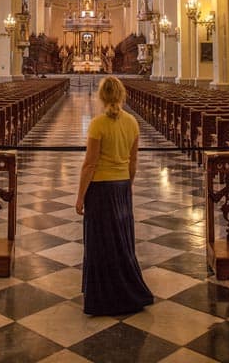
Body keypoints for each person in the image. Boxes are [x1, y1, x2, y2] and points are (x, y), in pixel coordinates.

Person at [76, 75, 153, 316]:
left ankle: (102, 297)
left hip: (100, 187)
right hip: (121, 187)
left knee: (100, 241)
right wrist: (127, 185)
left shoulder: (98, 124)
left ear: (102, 96)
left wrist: (80, 196)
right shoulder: (132, 122)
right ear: (122, 95)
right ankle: (127, 290)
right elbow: (133, 161)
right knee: (121, 240)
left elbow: (90, 164)